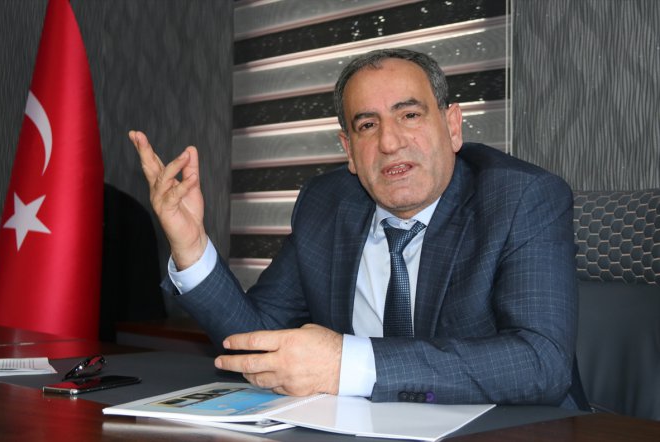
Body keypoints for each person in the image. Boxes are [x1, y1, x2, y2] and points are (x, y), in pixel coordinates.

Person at [130, 48, 588, 410]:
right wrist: (192, 245)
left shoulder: (520, 198)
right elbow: (256, 341)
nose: (389, 142)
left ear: (452, 126)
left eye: (410, 115)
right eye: (368, 125)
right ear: (348, 150)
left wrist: (346, 364)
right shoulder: (326, 205)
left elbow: (542, 363)